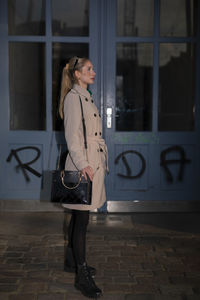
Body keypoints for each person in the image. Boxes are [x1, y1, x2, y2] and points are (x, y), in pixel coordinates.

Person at [58, 56, 108, 298]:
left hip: (92, 164)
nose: (94, 72)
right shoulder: (73, 98)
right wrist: (84, 165)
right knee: (82, 221)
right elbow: (73, 137)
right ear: (77, 74)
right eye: (89, 69)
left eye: (93, 68)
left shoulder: (85, 97)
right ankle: (81, 274)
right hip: (84, 166)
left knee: (80, 219)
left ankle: (72, 261)